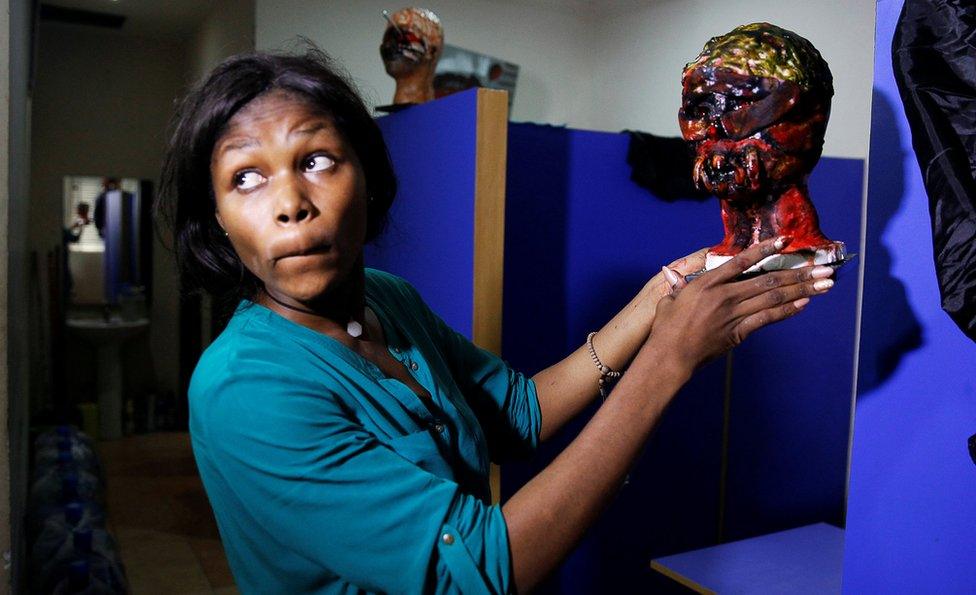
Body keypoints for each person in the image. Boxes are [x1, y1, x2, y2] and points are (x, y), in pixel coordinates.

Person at [158, 49, 835, 594]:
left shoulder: (386, 298)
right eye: (246, 178)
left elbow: (515, 412)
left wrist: (660, 297)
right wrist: (668, 359)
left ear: (365, 174)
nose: (290, 203)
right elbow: (480, 569)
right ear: (216, 216)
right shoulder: (247, 388)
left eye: (315, 160)